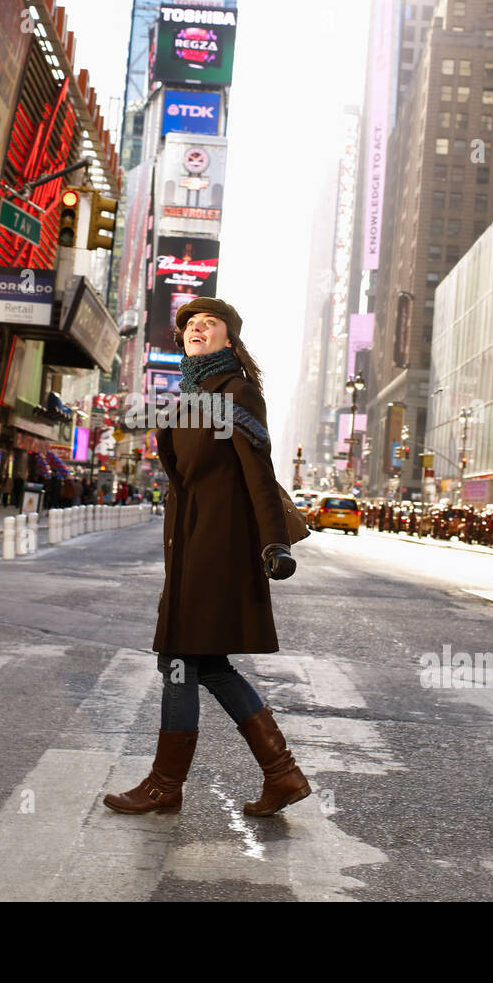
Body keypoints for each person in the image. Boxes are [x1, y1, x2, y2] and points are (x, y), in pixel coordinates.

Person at [104, 297, 309, 819]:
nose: (197, 329)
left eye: (209, 324)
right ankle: (281, 773)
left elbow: (258, 474)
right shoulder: (188, 398)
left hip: (220, 550)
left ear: (228, 340)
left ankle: (164, 785)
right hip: (190, 546)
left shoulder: (235, 393)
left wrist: (274, 544)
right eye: (191, 325)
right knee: (205, 662)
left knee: (179, 657)